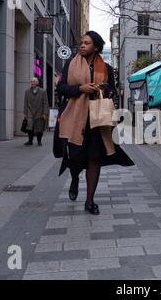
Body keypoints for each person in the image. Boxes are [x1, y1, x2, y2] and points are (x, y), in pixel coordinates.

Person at [57, 31, 134, 215]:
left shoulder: (106, 68)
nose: (82, 45)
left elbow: (113, 91)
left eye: (86, 43)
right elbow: (61, 88)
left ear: (96, 47)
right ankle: (74, 177)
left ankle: (89, 201)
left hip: (97, 120)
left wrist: (105, 89)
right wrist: (79, 88)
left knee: (94, 159)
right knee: (74, 158)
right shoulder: (71, 63)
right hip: (76, 118)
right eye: (81, 42)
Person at [23, 77, 49, 146]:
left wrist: (45, 113)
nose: (32, 83)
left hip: (39, 112)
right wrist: (25, 112)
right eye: (31, 81)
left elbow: (45, 103)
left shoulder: (43, 91)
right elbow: (25, 103)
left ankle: (39, 141)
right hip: (30, 111)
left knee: (39, 128)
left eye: (34, 81)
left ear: (37, 83)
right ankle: (30, 141)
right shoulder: (27, 91)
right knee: (29, 127)